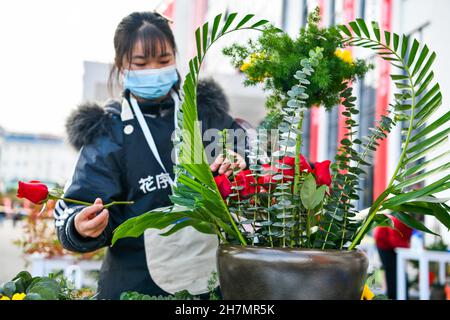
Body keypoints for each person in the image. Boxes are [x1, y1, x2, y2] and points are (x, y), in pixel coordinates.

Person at [54, 11, 247, 299]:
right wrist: (81, 226)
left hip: (209, 279)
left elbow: (249, 150)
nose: (153, 70)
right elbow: (75, 207)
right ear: (121, 65)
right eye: (141, 63)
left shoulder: (203, 115)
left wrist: (239, 158)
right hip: (133, 283)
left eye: (164, 61)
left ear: (176, 58)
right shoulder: (109, 131)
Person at [374, 216, 413, 299]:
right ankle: (392, 296)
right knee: (391, 272)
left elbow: (406, 237)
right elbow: (394, 240)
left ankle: (400, 296)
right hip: (384, 244)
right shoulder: (398, 219)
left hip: (392, 246)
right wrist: (408, 248)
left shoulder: (410, 221)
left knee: (398, 272)